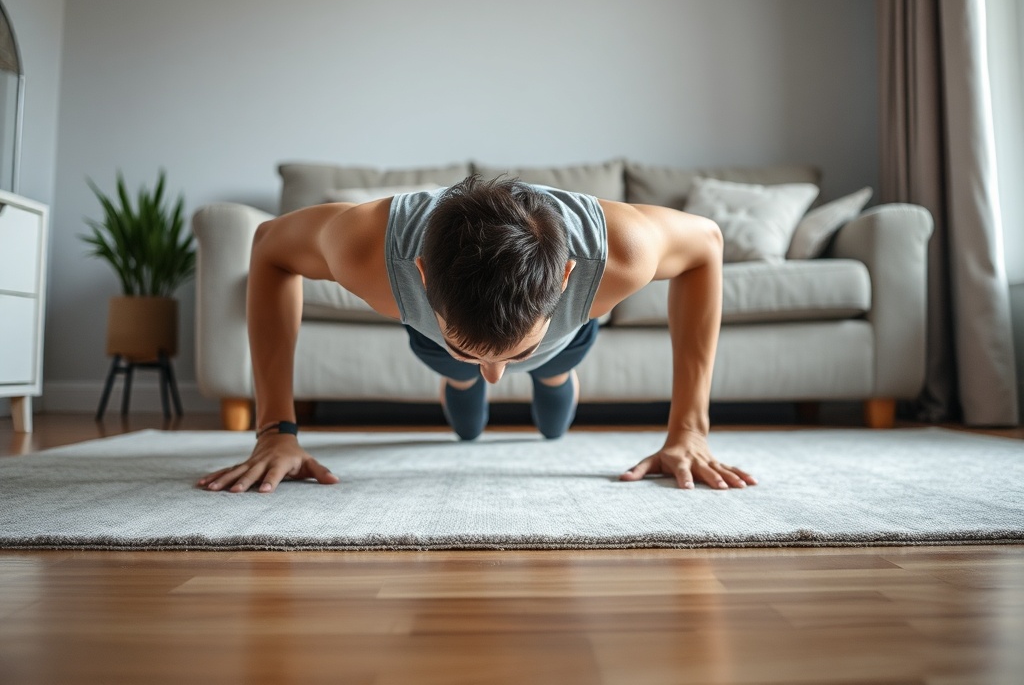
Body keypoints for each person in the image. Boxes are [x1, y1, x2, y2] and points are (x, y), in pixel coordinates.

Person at [197, 174, 757, 494]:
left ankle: (552, 363)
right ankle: (460, 374)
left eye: (513, 354)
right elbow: (269, 246)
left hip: (566, 339)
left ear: (566, 277)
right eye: (475, 352)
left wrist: (690, 429)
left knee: (551, 397)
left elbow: (706, 244)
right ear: (418, 274)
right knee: (466, 401)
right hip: (432, 340)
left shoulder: (620, 250)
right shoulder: (366, 247)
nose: (497, 373)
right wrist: (275, 429)